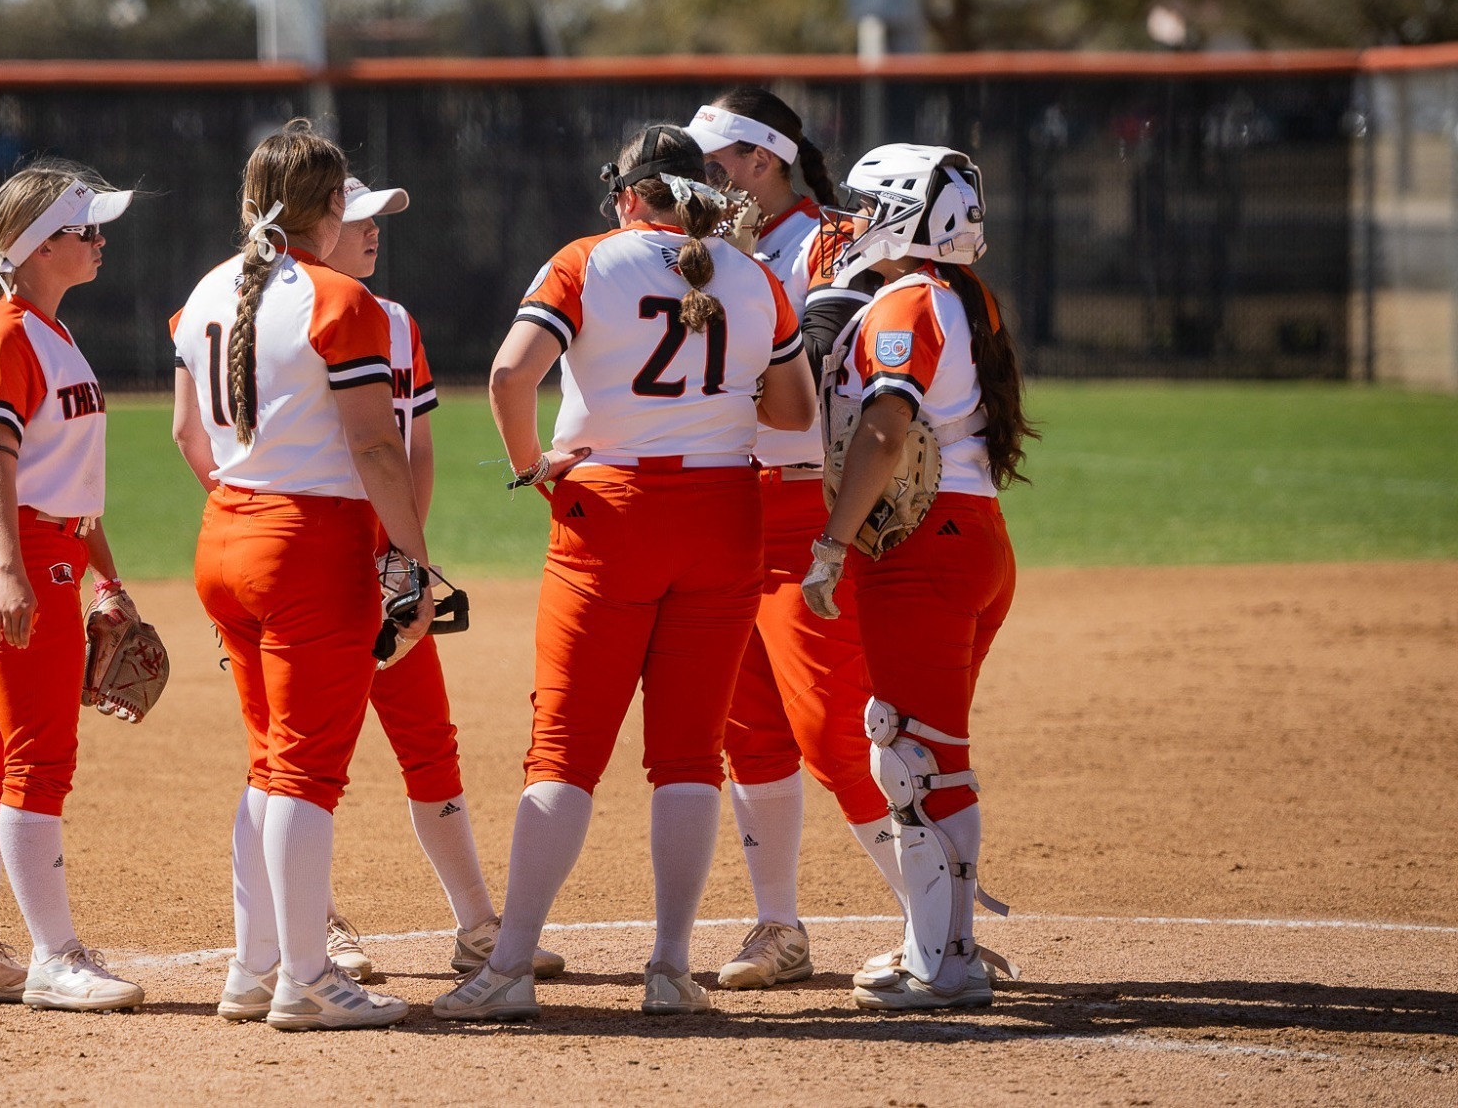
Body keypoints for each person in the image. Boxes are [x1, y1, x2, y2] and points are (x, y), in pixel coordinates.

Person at [433, 125, 815, 1022]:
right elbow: (795, 411)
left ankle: (512, 964)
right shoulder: (755, 275)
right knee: (688, 753)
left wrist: (532, 467)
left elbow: (506, 376)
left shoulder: (585, 260)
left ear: (628, 195)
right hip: (726, 516)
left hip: (610, 513)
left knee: (563, 750)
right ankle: (671, 966)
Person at [171, 122, 433, 1032]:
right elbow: (373, 443)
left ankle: (255, 969)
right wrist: (412, 557)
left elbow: (186, 437)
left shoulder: (208, 288)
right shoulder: (338, 298)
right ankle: (307, 977)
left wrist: (245, 505)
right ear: (330, 206)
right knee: (308, 773)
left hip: (226, 535)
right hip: (309, 543)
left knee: (269, 764)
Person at [797, 143, 1036, 1011]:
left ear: (901, 215)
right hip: (969, 534)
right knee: (922, 749)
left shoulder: (907, 296)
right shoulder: (961, 294)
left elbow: (886, 430)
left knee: (913, 754)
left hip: (922, 547)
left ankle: (945, 959)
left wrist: (832, 539)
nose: (852, 220)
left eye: (866, 206)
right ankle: (938, 942)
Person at [313, 177, 566, 985]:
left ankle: (475, 923)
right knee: (306, 750)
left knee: (427, 736)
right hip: (308, 560)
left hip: (383, 558)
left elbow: (414, 450)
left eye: (378, 219)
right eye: (356, 219)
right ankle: (310, 921)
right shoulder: (277, 311)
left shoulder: (393, 323)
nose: (373, 232)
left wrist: (405, 555)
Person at [683, 89, 907, 990]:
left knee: (833, 727)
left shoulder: (834, 239)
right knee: (750, 729)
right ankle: (779, 926)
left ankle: (938, 920)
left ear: (764, 159)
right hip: (728, 502)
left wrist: (731, 278)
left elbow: (810, 362)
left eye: (719, 161)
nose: (706, 179)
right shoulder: (701, 251)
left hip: (806, 503)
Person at [0, 161, 145, 1012]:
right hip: (13, 558)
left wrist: (109, 579)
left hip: (48, 555)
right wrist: (18, 572)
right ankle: (55, 957)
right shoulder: (5, 335)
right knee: (40, 758)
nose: (100, 241)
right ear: (38, 246)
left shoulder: (50, 333)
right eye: (85, 229)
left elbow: (73, 483)